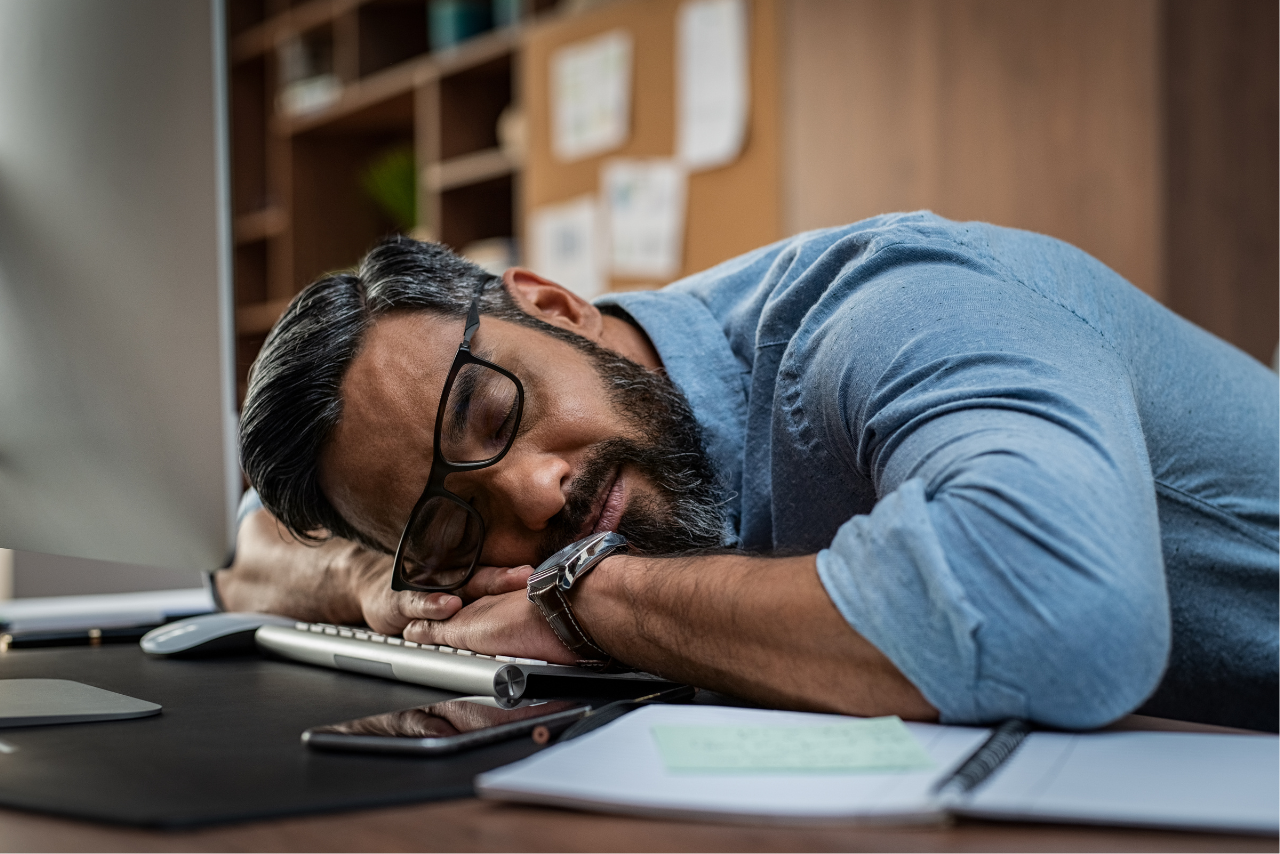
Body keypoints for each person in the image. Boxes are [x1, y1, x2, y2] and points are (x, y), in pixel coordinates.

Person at [223, 212, 1279, 732]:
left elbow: (1060, 615)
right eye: (453, 523)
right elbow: (254, 540)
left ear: (550, 305)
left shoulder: (882, 309)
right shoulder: (480, 510)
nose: (534, 495)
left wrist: (592, 598)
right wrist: (378, 582)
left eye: (494, 412)